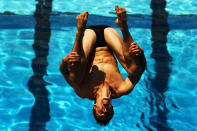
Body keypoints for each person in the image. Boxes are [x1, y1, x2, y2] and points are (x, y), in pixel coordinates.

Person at [59, 5, 146, 125]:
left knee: (75, 79)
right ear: (112, 107)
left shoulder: (84, 91)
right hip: (109, 36)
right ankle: (123, 26)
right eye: (107, 112)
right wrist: (141, 53)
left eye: (101, 112)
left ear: (95, 107)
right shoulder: (121, 88)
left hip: (88, 39)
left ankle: (79, 32)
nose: (104, 109)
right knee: (135, 71)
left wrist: (65, 61)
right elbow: (141, 70)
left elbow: (64, 71)